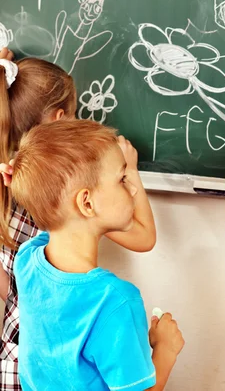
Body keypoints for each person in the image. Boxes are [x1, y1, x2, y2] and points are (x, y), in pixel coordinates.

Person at [0, 49, 156, 389]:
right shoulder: (113, 299)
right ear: (59, 120)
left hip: (16, 354)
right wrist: (130, 171)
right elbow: (144, 237)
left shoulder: (29, 246)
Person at [12, 119, 183, 390]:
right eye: (122, 179)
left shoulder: (26, 260)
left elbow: (54, 221)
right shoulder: (114, 301)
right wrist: (165, 350)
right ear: (87, 203)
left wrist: (31, 185)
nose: (134, 189)